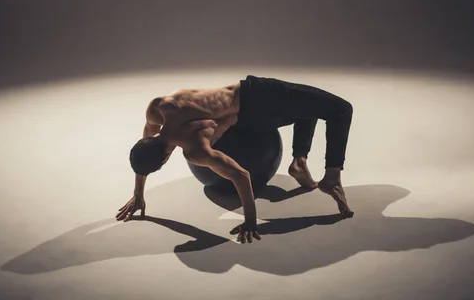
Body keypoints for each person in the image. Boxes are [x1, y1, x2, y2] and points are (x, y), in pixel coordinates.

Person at [116, 75, 354, 244]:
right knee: (341, 109)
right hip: (258, 95)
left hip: (251, 118)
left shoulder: (196, 149)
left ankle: (299, 161)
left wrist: (139, 193)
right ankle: (332, 177)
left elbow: (239, 176)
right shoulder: (160, 106)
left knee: (308, 107)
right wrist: (251, 222)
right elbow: (242, 174)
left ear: (165, 160)